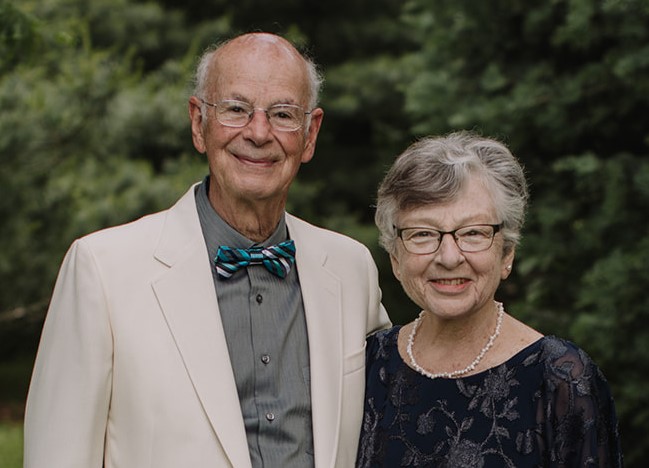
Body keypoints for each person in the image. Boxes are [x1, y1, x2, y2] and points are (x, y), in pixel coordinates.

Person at [24, 32, 390, 468]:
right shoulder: (101, 270)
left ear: (309, 135)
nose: (258, 132)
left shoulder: (351, 269)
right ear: (199, 123)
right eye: (235, 109)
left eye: (282, 114)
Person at [356, 132, 623, 467]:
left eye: (473, 233)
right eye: (423, 234)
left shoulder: (561, 379)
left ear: (507, 252)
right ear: (396, 258)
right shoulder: (367, 365)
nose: (449, 257)